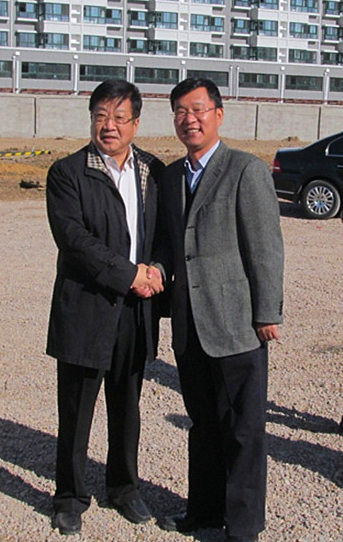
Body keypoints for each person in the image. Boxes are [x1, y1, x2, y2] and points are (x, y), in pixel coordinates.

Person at [152, 78, 284, 542]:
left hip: (237, 324)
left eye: (198, 109)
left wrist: (267, 312)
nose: (189, 119)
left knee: (244, 430)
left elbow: (265, 247)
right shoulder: (171, 177)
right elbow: (169, 244)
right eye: (180, 111)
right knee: (203, 426)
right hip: (190, 325)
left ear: (218, 114)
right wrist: (156, 272)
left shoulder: (245, 170)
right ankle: (204, 511)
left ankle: (243, 526)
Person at [45, 79, 165, 535]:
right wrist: (128, 273)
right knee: (77, 410)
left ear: (135, 124)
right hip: (87, 307)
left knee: (127, 407)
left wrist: (157, 270)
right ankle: (70, 496)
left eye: (119, 118)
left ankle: (124, 487)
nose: (109, 126)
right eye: (101, 116)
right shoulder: (68, 173)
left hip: (135, 310)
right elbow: (74, 240)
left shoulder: (152, 171)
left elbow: (165, 234)